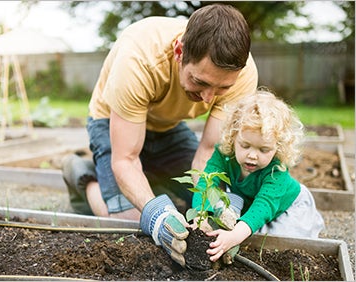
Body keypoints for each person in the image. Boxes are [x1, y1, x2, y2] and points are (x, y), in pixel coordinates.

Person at [62, 3, 258, 267]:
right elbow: (126, 159)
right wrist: (156, 215)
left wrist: (215, 214)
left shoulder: (242, 76)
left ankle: (152, 178)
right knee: (129, 220)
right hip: (112, 121)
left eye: (221, 88)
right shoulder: (139, 58)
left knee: (211, 210)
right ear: (179, 52)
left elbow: (208, 152)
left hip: (168, 126)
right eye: (200, 82)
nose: (208, 98)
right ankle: (83, 176)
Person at [191, 89, 325, 263]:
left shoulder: (277, 171)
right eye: (245, 145)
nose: (252, 155)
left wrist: (233, 237)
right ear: (233, 137)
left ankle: (313, 221)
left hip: (289, 207)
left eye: (264, 150)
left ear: (278, 147)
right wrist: (200, 216)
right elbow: (206, 182)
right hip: (254, 202)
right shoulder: (224, 154)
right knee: (246, 230)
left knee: (278, 246)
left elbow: (264, 205)